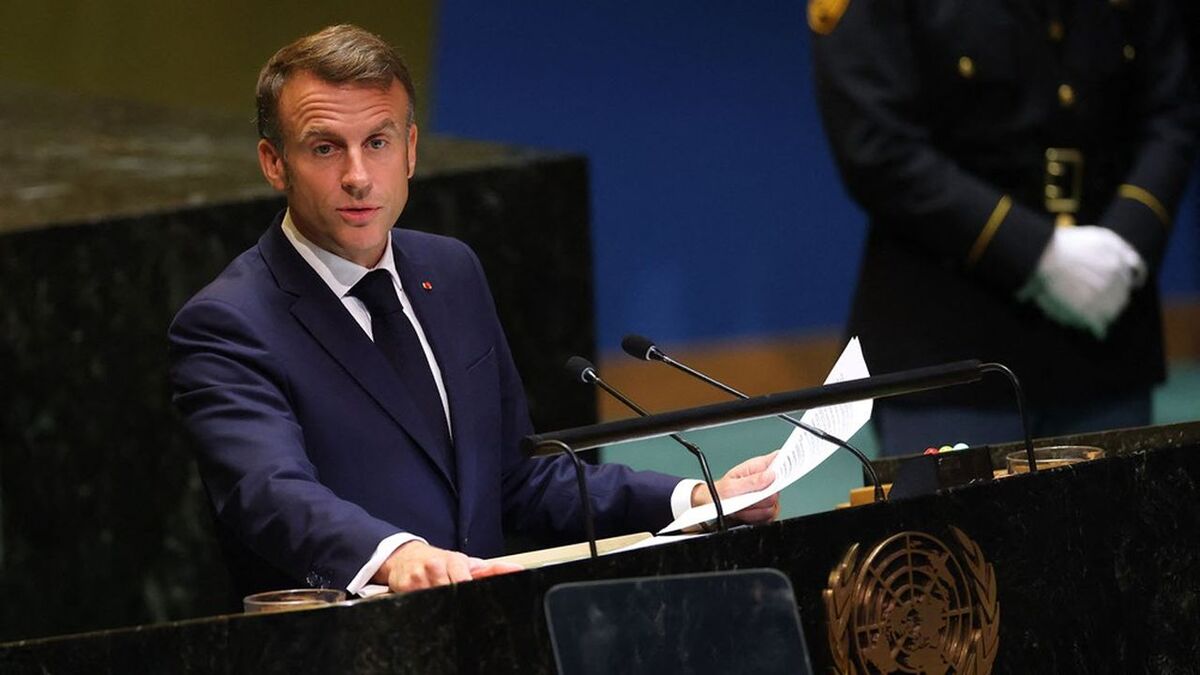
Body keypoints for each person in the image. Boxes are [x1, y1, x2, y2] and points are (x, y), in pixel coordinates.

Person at [169, 25, 779, 597]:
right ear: (274, 163)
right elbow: (268, 494)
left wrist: (695, 499)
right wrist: (396, 555)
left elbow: (516, 479)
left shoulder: (451, 271)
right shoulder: (231, 323)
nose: (358, 176)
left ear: (410, 150)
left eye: (377, 142)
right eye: (326, 148)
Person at [810, 0, 1199, 454]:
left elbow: (1173, 109)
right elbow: (875, 146)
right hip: (953, 351)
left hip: (1106, 330)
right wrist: (1039, 254)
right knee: (956, 528)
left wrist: (1128, 240)